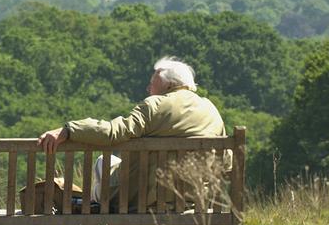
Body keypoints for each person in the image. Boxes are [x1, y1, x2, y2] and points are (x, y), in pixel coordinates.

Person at [37, 56, 226, 211]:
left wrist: (68, 130)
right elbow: (226, 162)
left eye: (152, 83)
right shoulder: (211, 110)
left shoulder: (155, 105)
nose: (149, 89)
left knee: (103, 163)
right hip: (193, 200)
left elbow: (112, 132)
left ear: (167, 85)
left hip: (145, 199)